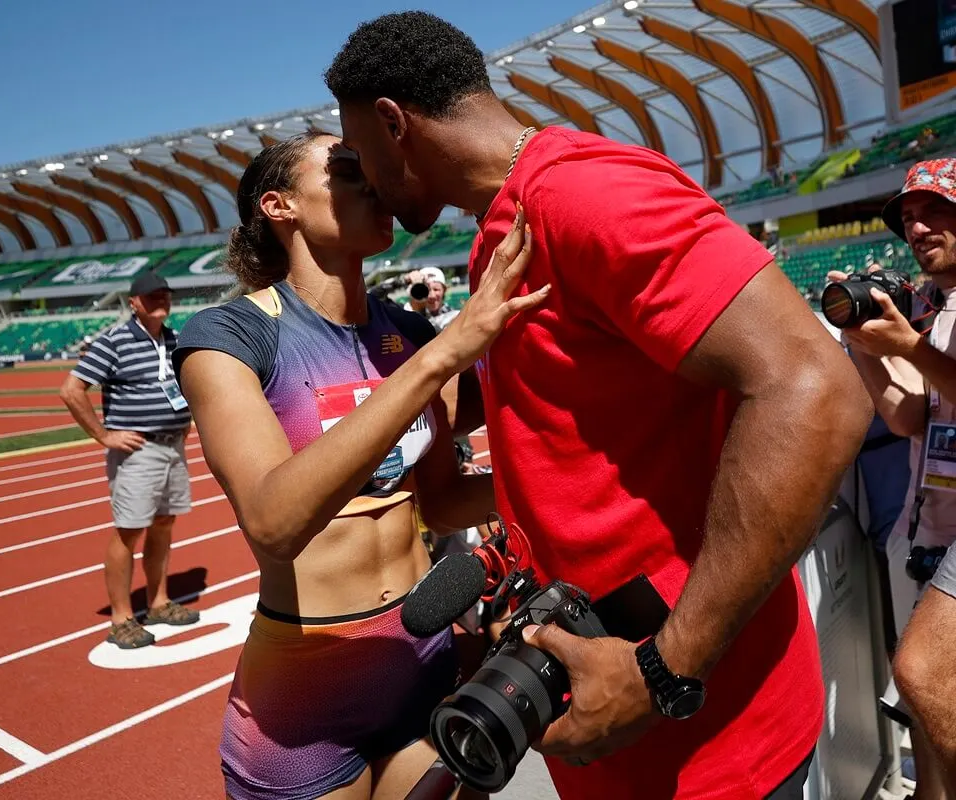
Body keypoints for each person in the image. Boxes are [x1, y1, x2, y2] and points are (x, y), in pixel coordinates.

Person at [325, 12, 872, 800]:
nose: (360, 173)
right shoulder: (496, 236)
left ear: (392, 122)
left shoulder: (583, 192)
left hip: (711, 748)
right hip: (617, 742)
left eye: (358, 151)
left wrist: (663, 669)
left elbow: (816, 388)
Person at [171, 131, 546, 800]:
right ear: (279, 205)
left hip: (422, 663)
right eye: (348, 169)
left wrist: (547, 492)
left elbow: (439, 502)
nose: (372, 179)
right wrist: (441, 358)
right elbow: (274, 520)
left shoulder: (408, 332)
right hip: (304, 703)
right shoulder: (227, 336)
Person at [825, 158, 956, 799]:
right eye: (908, 218)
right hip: (923, 535)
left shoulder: (931, 325)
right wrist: (857, 340)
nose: (918, 226)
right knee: (924, 709)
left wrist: (908, 348)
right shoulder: (935, 312)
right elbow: (909, 417)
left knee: (926, 678)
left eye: (933, 209)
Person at [59, 271, 199, 650]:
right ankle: (121, 617)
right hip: (136, 452)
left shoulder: (175, 339)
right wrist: (104, 435)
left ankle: (158, 602)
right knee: (129, 529)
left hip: (173, 446)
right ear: (133, 302)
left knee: (164, 525)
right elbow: (72, 391)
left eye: (165, 296)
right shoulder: (114, 341)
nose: (161, 302)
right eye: (152, 297)